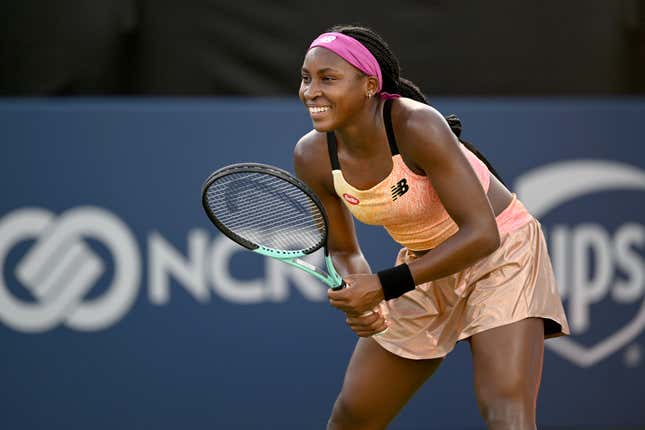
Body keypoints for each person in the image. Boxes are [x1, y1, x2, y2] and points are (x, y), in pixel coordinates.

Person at [293, 25, 569, 430]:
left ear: (370, 85)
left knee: (505, 410)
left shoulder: (417, 126)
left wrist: (383, 285)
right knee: (353, 416)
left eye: (327, 78)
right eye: (306, 78)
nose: (311, 91)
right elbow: (345, 249)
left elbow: (482, 234)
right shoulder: (312, 156)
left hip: (503, 251)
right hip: (422, 266)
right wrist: (365, 296)